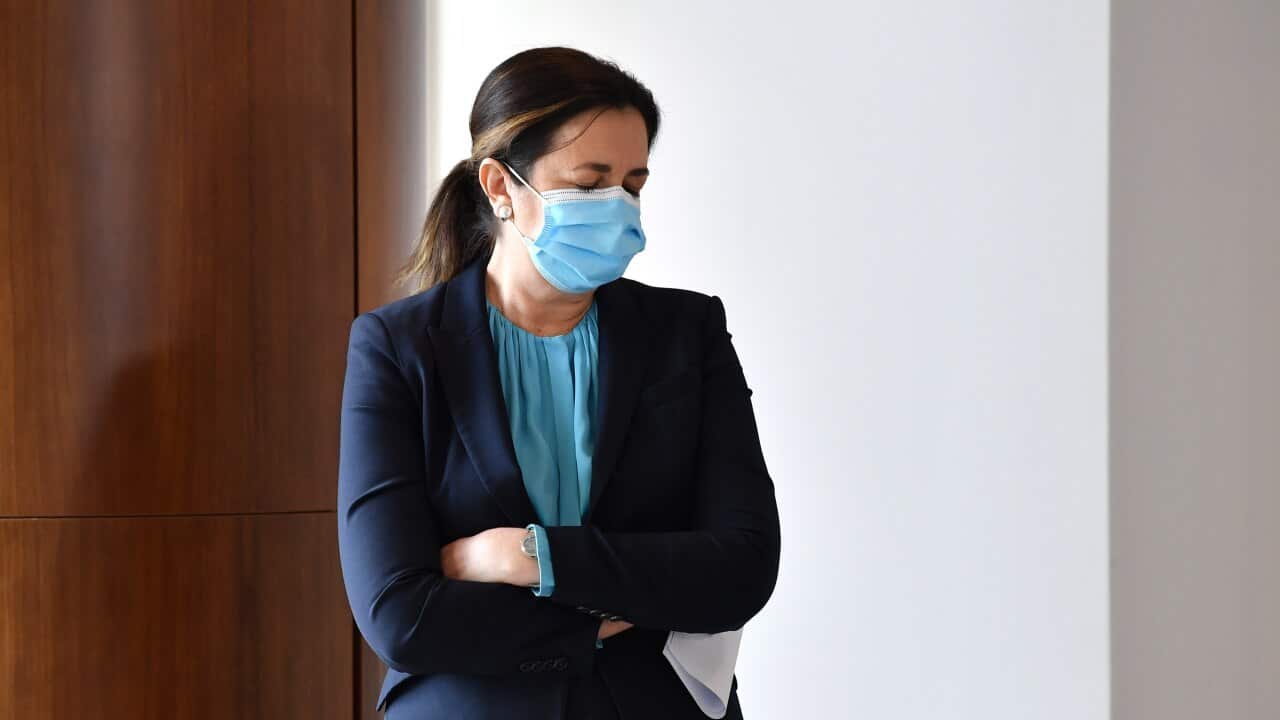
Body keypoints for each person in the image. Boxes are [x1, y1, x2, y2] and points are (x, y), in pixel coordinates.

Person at [336, 46, 781, 719]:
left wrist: (529, 556)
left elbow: (741, 566)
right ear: (499, 187)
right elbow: (400, 613)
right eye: (588, 182)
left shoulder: (688, 333)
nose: (618, 206)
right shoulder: (398, 348)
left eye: (632, 184)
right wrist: (596, 625)